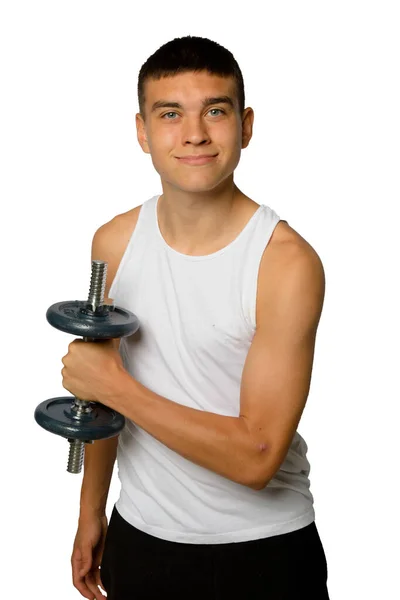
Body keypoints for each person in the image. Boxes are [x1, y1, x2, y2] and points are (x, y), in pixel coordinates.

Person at [62, 35, 329, 599]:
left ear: (246, 125)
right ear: (142, 132)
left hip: (264, 551)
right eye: (169, 113)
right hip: (142, 538)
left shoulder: (285, 264)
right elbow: (103, 399)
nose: (194, 134)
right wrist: (92, 511)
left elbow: (258, 457)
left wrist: (111, 384)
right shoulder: (113, 243)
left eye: (215, 110)